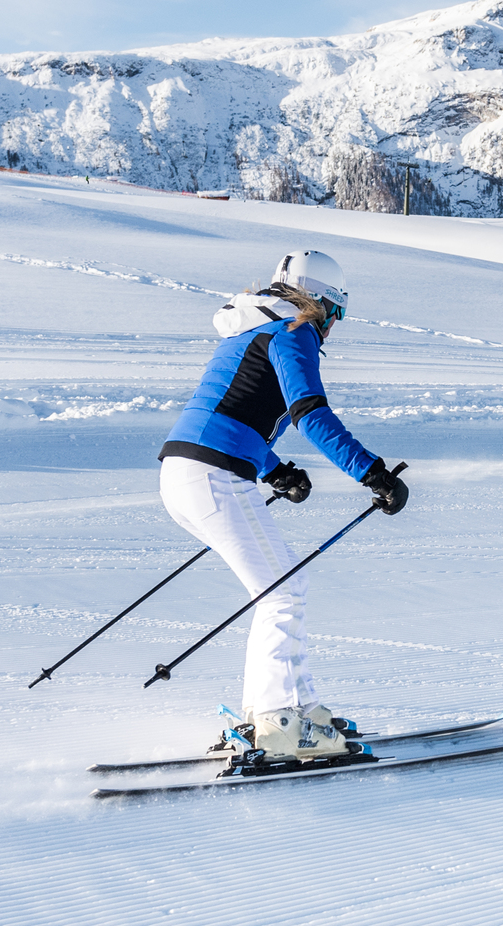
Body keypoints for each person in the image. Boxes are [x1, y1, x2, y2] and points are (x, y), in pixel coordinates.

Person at [157, 248, 410, 761]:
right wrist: (372, 472)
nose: (333, 327)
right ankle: (280, 723)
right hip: (213, 477)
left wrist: (275, 470)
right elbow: (309, 412)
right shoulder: (294, 332)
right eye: (335, 313)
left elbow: (230, 409)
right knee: (284, 591)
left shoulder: (252, 329)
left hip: (185, 472)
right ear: (319, 302)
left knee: (278, 587)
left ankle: (289, 711)